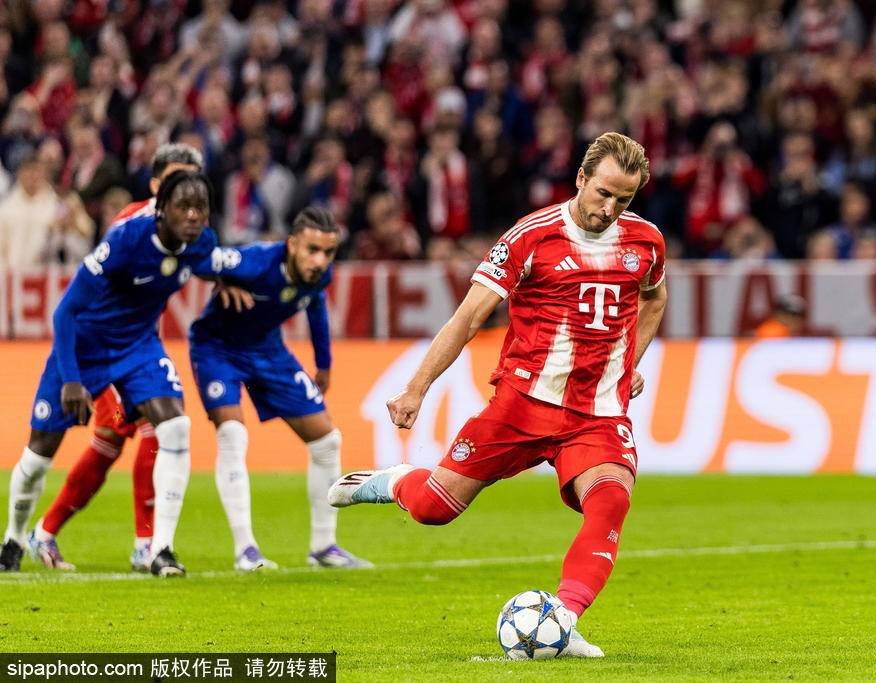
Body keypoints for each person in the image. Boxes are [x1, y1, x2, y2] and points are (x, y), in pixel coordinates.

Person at [328, 132, 667, 657]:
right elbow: (467, 319)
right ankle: (393, 480)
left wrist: (630, 362)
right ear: (581, 178)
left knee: (611, 500)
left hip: (598, 412)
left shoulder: (646, 241)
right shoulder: (530, 238)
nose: (609, 208)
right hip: (522, 406)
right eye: (603, 193)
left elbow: (654, 299)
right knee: (434, 508)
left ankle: (562, 620)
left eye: (623, 199)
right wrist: (416, 389)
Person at [0, 170, 222, 577]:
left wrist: (234, 281)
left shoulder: (201, 242)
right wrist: (72, 379)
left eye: (200, 208)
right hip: (85, 345)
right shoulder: (126, 240)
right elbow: (66, 311)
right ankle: (13, 539)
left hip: (138, 348)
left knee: (175, 427)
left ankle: (160, 549)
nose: (193, 215)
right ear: (161, 209)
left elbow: (216, 264)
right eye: (183, 207)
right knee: (38, 455)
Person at [188, 206, 369, 570]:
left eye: (328, 252)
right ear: (292, 244)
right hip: (217, 349)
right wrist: (222, 279)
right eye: (312, 250)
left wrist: (324, 364)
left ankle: (324, 547)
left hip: (268, 351)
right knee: (233, 435)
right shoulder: (254, 262)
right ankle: (246, 550)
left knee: (327, 441)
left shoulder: (319, 275)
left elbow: (316, 307)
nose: (320, 261)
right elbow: (197, 260)